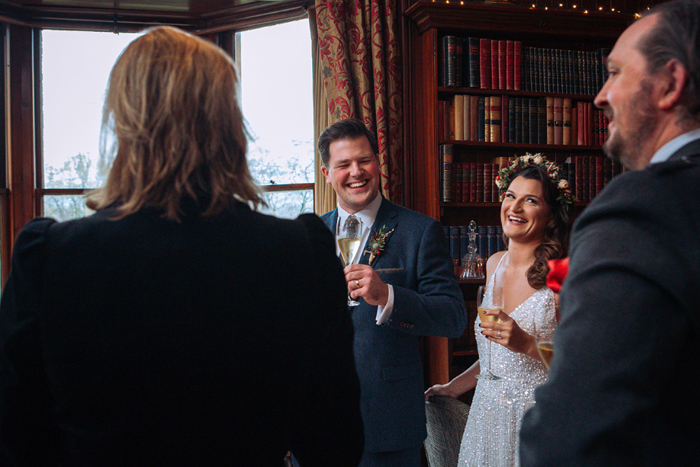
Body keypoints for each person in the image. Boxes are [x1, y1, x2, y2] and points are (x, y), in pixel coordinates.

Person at [0, 26, 364, 466]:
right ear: (229, 123)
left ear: (122, 120)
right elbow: (334, 443)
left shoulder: (51, 255)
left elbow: (17, 440)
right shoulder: (300, 253)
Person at [519, 1, 700, 465]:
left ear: (669, 83)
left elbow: (574, 432)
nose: (600, 96)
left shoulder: (641, 208)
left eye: (616, 72)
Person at [318, 118, 467, 466]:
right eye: (343, 165)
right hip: (318, 424)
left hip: (388, 424)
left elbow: (453, 317)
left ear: (378, 162)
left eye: (364, 160)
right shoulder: (310, 235)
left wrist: (388, 296)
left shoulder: (420, 231)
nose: (356, 172)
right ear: (327, 174)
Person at [425, 155, 572, 467]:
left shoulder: (563, 273)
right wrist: (454, 387)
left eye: (530, 200)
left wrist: (528, 344)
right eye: (510, 196)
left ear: (550, 214)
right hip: (486, 417)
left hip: (536, 418)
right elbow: (496, 357)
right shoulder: (493, 263)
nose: (515, 208)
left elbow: (579, 362)